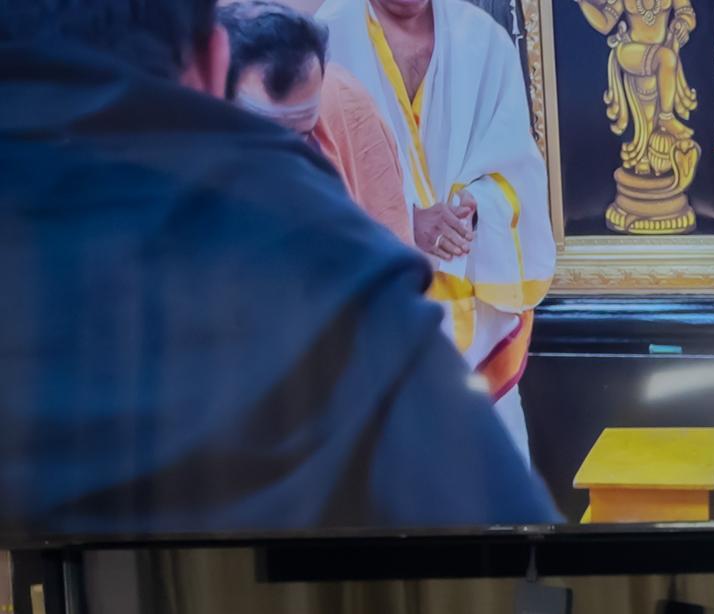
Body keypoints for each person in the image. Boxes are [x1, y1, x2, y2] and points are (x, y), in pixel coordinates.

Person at [0, 0, 552, 533]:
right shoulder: (326, 266)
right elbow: (505, 543)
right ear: (212, 67)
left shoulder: (470, 45)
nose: (307, 152)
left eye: (310, 134)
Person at [309, 0, 547, 447]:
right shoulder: (327, 39)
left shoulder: (486, 41)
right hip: (378, 322)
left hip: (474, 305)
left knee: (495, 485)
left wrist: (473, 207)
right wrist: (403, 220)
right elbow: (312, 181)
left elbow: (519, 167)